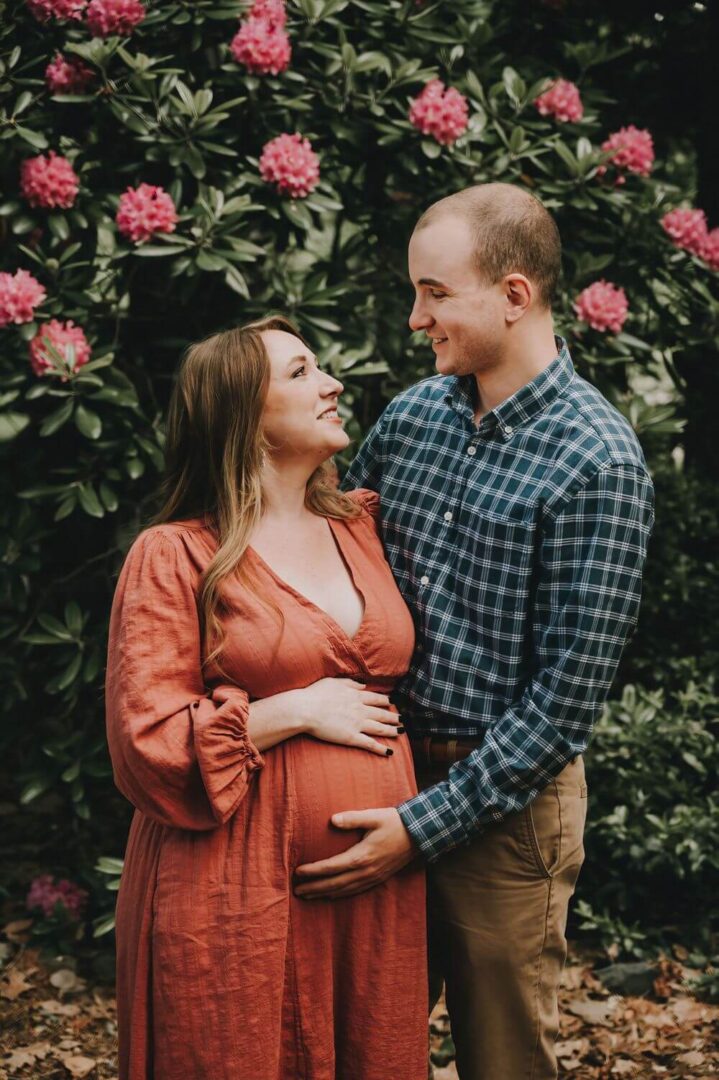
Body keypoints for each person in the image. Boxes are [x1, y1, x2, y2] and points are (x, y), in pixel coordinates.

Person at [293, 184, 655, 1080]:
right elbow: (326, 559)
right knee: (360, 1043)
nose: (415, 317)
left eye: (435, 293)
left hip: (507, 812)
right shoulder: (414, 418)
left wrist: (421, 827)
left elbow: (562, 705)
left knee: (501, 1059)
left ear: (514, 295)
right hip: (378, 768)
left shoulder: (597, 461)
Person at [105, 316, 428, 1080]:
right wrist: (291, 710)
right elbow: (142, 742)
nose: (332, 385)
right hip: (229, 886)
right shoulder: (175, 554)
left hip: (373, 883)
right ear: (245, 417)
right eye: (301, 372)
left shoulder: (362, 526)